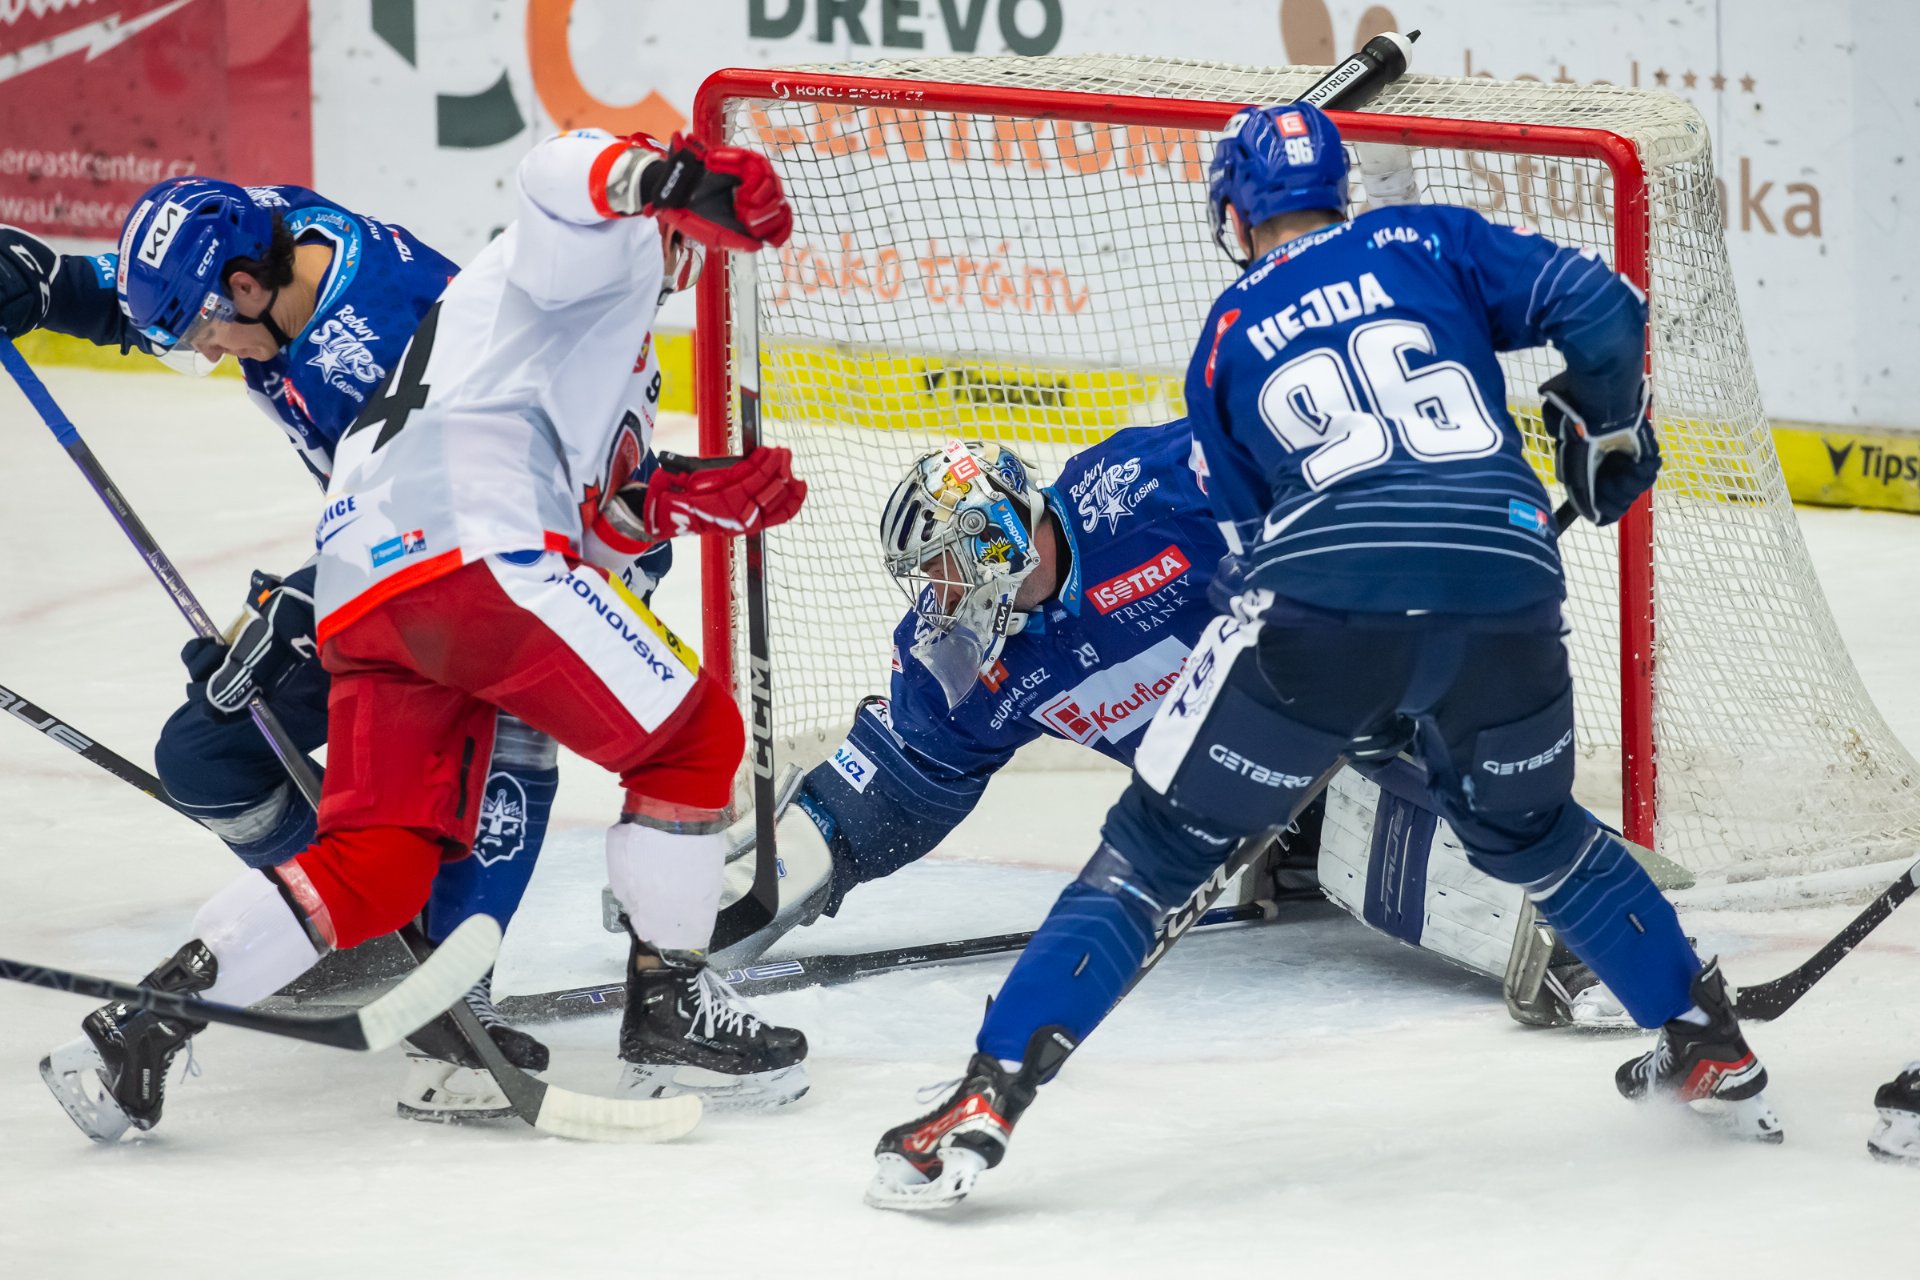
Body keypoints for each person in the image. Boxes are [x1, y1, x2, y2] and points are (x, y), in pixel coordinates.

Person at [865, 100, 1779, 1210]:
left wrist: (1335, 696)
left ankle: (982, 1101)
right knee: (1534, 833)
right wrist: (1608, 426)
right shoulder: (1424, 238)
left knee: (1157, 850)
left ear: (1234, 215)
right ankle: (1705, 1042)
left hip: (1328, 596)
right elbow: (1604, 305)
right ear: (1336, 187)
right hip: (1509, 579)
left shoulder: (1225, 336)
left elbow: (1253, 546)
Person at [36, 126, 807, 1143]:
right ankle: (669, 1009)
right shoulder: (607, 245)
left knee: (377, 860)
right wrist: (666, 179)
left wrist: (668, 502)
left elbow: (587, 504)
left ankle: (145, 1023)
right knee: (694, 739)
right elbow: (555, 173)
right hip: (472, 554)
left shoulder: (566, 333)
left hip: (363, 586)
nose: (697, 259)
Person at [719, 428, 1633, 1028]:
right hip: (1234, 775)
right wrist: (756, 892)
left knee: (1409, 758)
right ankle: (1304, 840)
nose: (938, 593)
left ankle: (1586, 934)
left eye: (947, 566)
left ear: (1000, 540)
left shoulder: (1148, 495)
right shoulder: (960, 658)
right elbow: (892, 787)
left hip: (1345, 682)